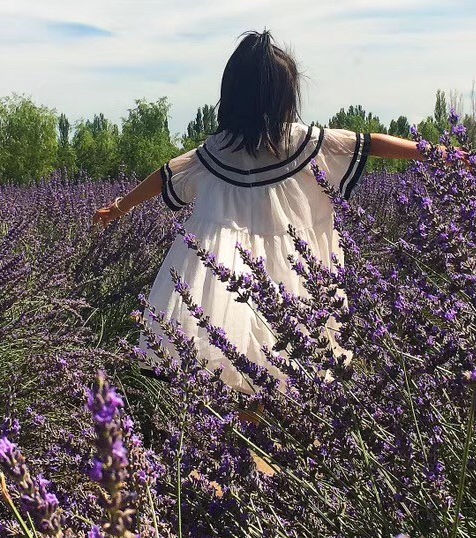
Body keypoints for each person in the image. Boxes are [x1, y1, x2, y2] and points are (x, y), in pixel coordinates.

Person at [92, 29, 446, 395]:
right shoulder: (303, 142)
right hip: (294, 269)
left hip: (220, 272)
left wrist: (119, 207)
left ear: (230, 96)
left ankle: (246, 429)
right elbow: (370, 143)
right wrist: (433, 152)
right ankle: (267, 433)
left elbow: (166, 173)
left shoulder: (215, 152)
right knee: (291, 361)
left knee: (225, 359)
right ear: (284, 98)